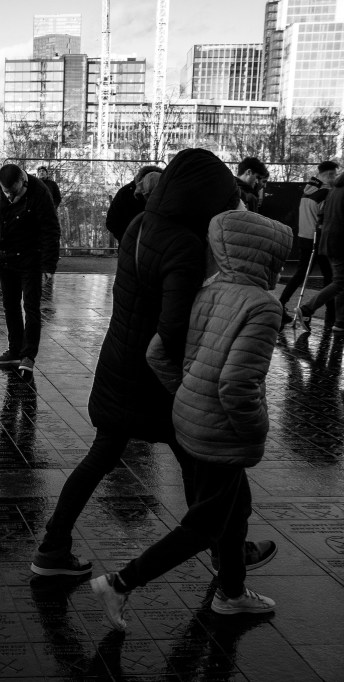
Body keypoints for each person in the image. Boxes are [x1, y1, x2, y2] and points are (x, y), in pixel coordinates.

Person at [29, 148, 276, 578]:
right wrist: (191, 384)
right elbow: (173, 329)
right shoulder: (184, 244)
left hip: (118, 364)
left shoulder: (141, 224)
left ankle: (52, 548)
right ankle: (228, 557)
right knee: (210, 466)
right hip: (155, 381)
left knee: (103, 457)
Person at [92, 209, 291, 630]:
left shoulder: (208, 291)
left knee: (235, 509)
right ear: (268, 256)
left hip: (189, 418)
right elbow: (237, 385)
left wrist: (186, 391)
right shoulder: (262, 306)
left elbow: (157, 352)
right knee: (204, 526)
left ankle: (232, 593)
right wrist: (257, 429)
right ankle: (121, 583)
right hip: (222, 431)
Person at [0, 164, 60, 377]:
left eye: (14, 192)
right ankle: (15, 350)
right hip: (6, 256)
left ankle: (28, 355)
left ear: (23, 180)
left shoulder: (40, 192)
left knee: (31, 306)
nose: (9, 196)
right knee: (10, 305)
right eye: (6, 192)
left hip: (31, 258)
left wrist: (48, 266)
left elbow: (51, 229)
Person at [282, 160, 338, 328]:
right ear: (327, 175)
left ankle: (281, 303)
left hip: (304, 237)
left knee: (301, 274)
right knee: (330, 277)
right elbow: (327, 218)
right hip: (319, 239)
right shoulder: (326, 193)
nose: (334, 178)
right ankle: (330, 315)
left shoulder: (309, 190)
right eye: (333, 175)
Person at [296, 170, 344, 335]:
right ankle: (307, 309)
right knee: (340, 282)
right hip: (340, 243)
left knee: (340, 282)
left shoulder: (334, 190)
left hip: (329, 241)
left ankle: (340, 322)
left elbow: (322, 215)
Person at [105, 165, 162, 243]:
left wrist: (127, 239)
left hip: (130, 245)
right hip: (154, 244)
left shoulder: (125, 192)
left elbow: (111, 222)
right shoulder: (164, 191)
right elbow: (111, 222)